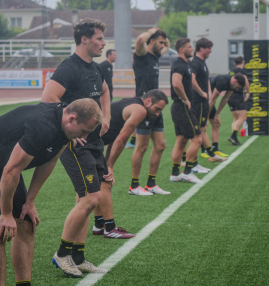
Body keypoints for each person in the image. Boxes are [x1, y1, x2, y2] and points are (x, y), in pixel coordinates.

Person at [41, 18, 121, 278]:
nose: (103, 43)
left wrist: (106, 116)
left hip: (95, 142)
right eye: (99, 38)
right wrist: (69, 131)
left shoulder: (96, 68)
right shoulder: (69, 67)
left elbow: (105, 91)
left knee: (85, 200)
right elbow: (48, 98)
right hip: (78, 144)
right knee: (91, 199)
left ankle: (78, 256)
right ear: (84, 40)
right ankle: (62, 254)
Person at [0, 99, 102, 286]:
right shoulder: (43, 126)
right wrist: (6, 214)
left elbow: (50, 161)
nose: (85, 137)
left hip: (6, 165)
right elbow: (10, 171)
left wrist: (29, 201)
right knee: (2, 229)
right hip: (6, 168)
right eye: (85, 131)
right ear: (72, 119)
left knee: (26, 222)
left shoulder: (64, 127)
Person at [92, 90, 169, 236]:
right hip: (87, 141)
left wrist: (108, 163)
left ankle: (99, 225)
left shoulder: (132, 102)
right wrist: (110, 166)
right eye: (157, 109)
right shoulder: (139, 110)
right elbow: (121, 140)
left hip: (92, 142)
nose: (158, 114)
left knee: (99, 182)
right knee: (105, 182)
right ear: (148, 101)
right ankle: (109, 228)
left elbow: (114, 139)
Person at [128, 27, 171, 196]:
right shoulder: (142, 56)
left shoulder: (156, 56)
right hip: (144, 107)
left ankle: (151, 184)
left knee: (160, 146)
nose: (163, 46)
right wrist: (152, 31)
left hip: (156, 108)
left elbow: (168, 43)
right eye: (159, 42)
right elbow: (139, 40)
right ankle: (134, 186)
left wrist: (162, 35)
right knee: (142, 147)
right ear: (151, 41)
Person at [169, 38, 207, 184]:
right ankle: (188, 172)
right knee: (197, 139)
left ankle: (175, 174)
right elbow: (176, 83)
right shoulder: (180, 65)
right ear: (181, 50)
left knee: (181, 140)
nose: (192, 49)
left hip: (179, 107)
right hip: (182, 106)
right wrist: (185, 99)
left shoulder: (186, 64)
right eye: (190, 47)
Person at [190, 37, 227, 164]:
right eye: (208, 48)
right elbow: (191, 78)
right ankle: (195, 161)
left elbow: (206, 79)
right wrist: (201, 92)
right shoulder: (195, 62)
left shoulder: (202, 62)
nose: (211, 51)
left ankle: (209, 154)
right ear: (201, 49)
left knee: (201, 130)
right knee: (198, 132)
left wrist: (209, 92)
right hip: (197, 102)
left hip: (203, 101)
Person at [227, 56, 250, 145]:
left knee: (236, 118)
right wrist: (248, 92)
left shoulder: (231, 71)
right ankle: (233, 136)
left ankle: (234, 138)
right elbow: (246, 82)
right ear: (243, 62)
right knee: (243, 117)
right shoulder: (242, 72)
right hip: (237, 96)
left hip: (230, 96)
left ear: (235, 63)